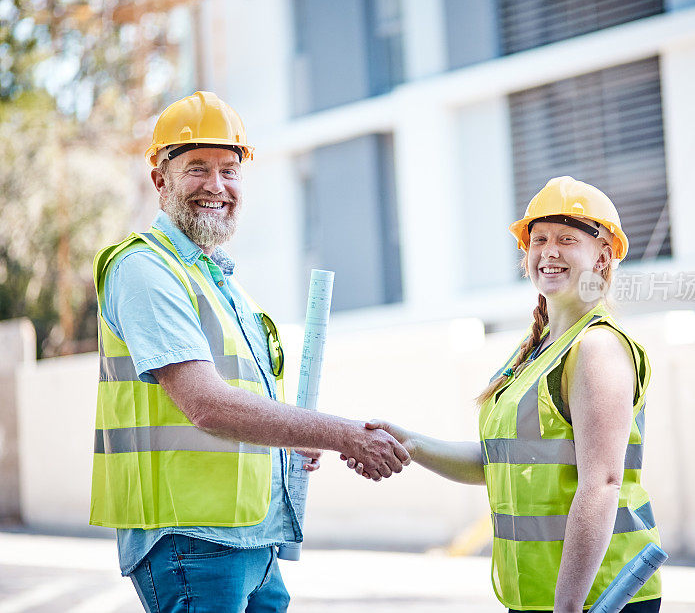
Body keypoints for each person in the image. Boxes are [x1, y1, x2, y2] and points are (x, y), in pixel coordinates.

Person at [90, 91, 410, 613]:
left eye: (229, 170)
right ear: (160, 181)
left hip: (252, 539)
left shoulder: (220, 282)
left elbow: (242, 408)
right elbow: (208, 406)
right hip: (191, 542)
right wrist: (343, 436)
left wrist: (291, 443)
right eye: (197, 168)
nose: (216, 186)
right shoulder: (145, 270)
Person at [344, 176, 662, 612]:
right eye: (539, 239)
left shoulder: (597, 348)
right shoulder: (536, 352)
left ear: (603, 256)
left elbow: (602, 484)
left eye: (567, 239)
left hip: (597, 597)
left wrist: (567, 606)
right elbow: (498, 461)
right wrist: (411, 444)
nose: (549, 251)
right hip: (539, 595)